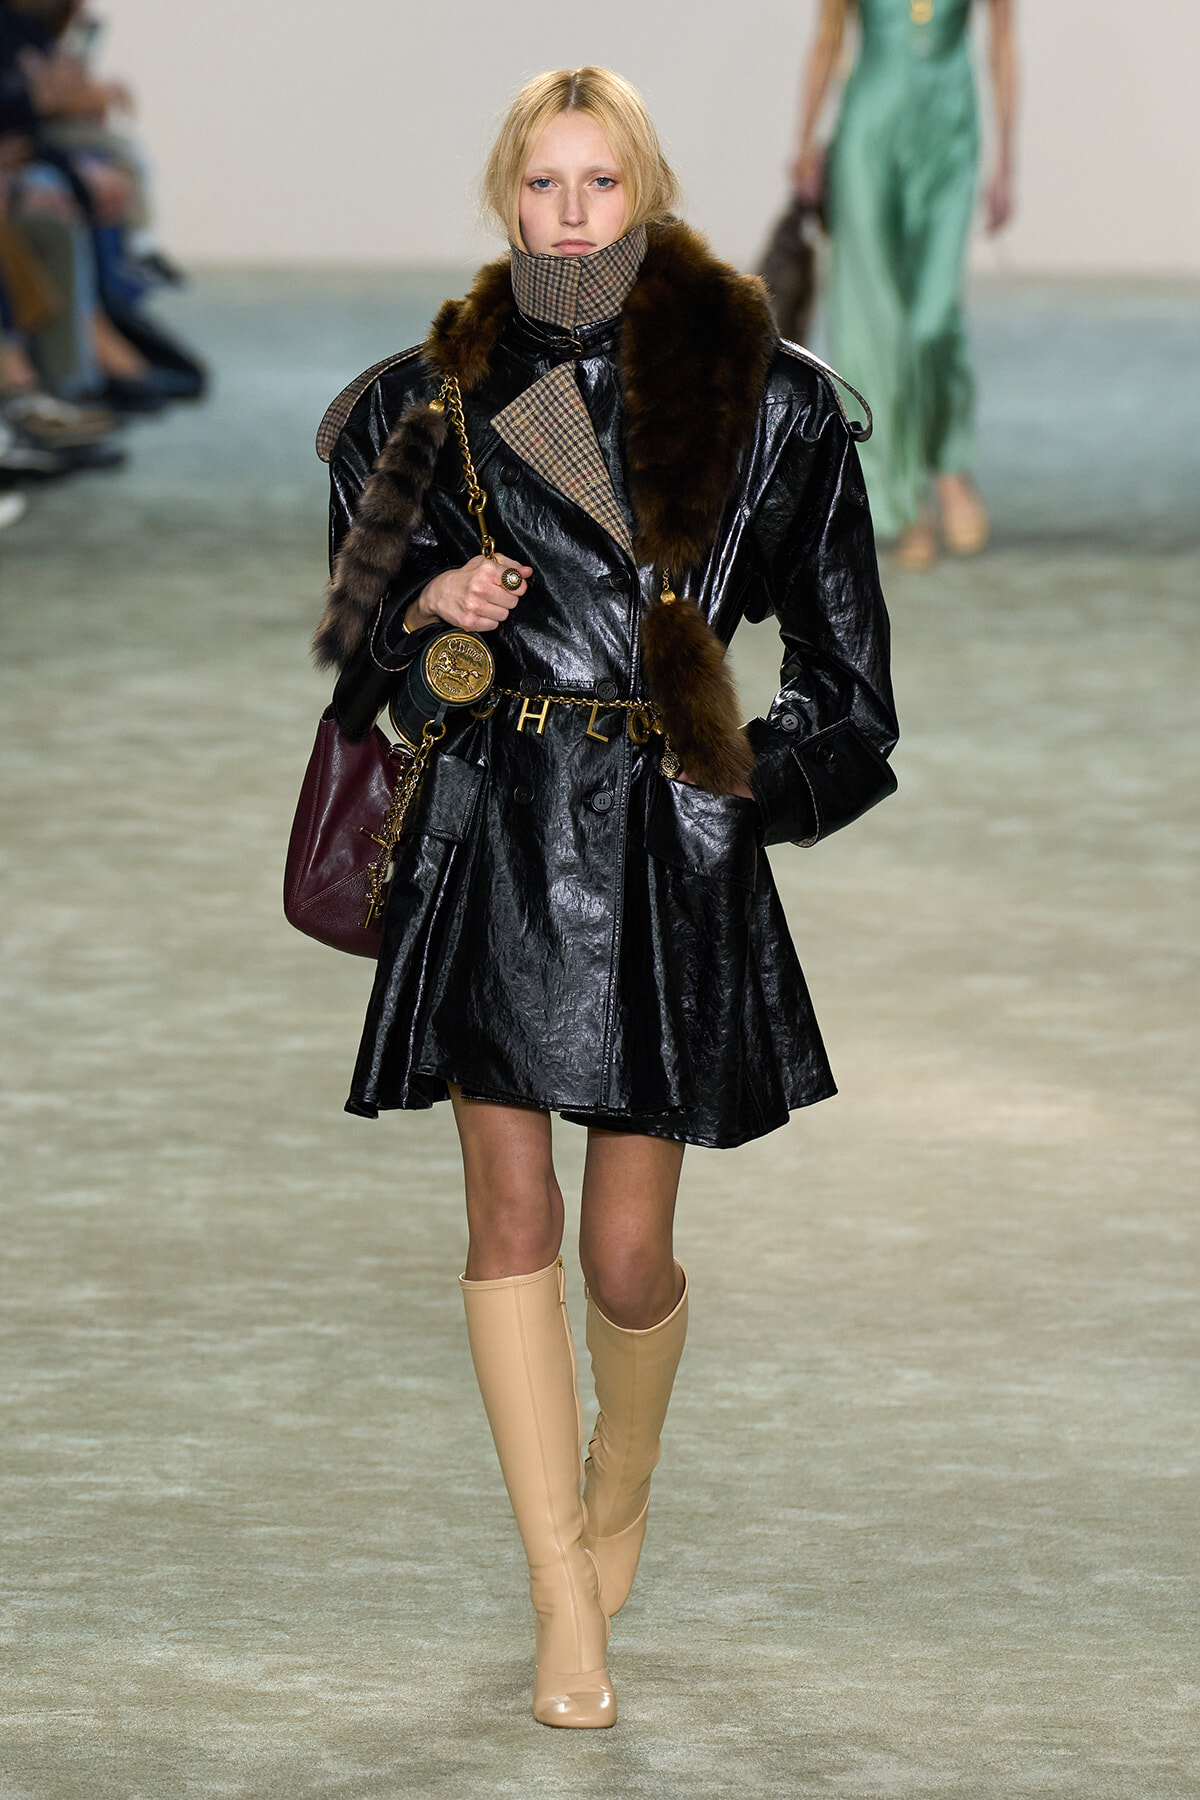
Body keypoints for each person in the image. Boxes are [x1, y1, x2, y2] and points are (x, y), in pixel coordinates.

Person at [312, 66, 897, 1728]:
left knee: (629, 1257)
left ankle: (617, 1478)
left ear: (647, 192)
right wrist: (442, 606)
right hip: (496, 832)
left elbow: (853, 694)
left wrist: (740, 784)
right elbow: (376, 682)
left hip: (662, 853)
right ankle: (566, 1602)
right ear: (506, 199)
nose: (570, 215)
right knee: (515, 1225)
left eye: (600, 185)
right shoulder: (415, 403)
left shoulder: (771, 403)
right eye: (542, 186)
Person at [791, 0, 1017, 568]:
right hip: (870, 133)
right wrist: (805, 144)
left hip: (949, 126)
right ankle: (900, 498)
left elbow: (1003, 40)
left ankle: (947, 459)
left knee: (934, 315)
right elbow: (828, 37)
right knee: (877, 316)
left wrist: (1007, 161)